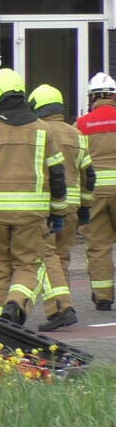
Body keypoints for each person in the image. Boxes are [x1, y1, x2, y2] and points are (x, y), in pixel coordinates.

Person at [0, 68, 66, 325]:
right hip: (32, 216)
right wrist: (59, 212)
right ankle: (15, 304)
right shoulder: (44, 130)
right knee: (29, 266)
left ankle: (0, 328)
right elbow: (58, 174)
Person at [28, 84, 94, 330]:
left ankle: (61, 307)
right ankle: (61, 306)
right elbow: (89, 174)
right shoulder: (76, 133)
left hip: (47, 205)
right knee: (62, 257)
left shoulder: (39, 131)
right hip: (72, 207)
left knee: (46, 256)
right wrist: (85, 207)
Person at [76, 72, 116, 311]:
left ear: (92, 97)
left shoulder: (81, 125)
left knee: (99, 246)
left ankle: (103, 296)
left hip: (96, 193)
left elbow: (77, 160)